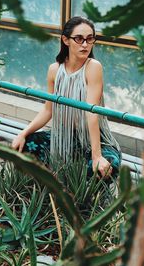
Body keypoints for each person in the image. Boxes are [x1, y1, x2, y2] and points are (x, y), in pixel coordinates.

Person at [12, 16, 121, 179]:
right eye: (79, 39)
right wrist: (23, 133)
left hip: (93, 141)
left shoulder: (93, 67)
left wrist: (97, 156)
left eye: (90, 39)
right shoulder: (54, 70)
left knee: (106, 166)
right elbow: (48, 110)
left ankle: (88, 203)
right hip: (62, 137)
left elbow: (91, 112)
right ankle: (41, 195)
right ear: (66, 40)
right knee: (24, 146)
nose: (85, 44)